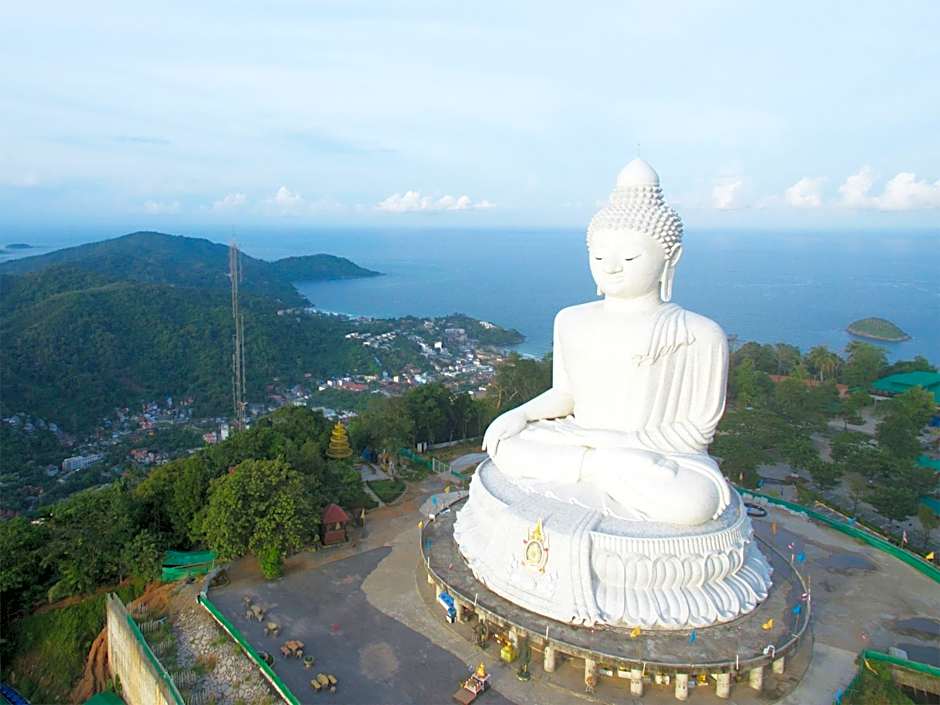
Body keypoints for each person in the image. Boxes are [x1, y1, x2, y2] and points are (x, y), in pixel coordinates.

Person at [481, 160, 731, 526]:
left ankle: (589, 466)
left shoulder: (697, 333)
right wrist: (519, 414)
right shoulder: (571, 319)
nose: (611, 267)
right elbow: (564, 394)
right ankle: (594, 466)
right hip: (586, 444)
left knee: (694, 502)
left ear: (670, 257)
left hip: (650, 454)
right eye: (598, 256)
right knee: (506, 445)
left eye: (629, 257)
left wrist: (612, 441)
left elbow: (696, 432)